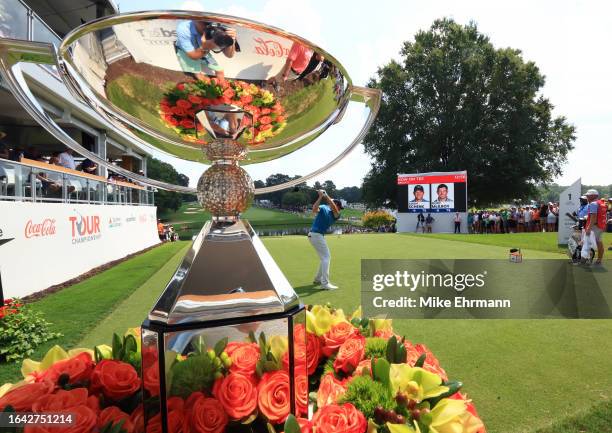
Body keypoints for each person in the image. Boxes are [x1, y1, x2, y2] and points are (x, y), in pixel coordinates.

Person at [308, 190, 342, 290]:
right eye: (339, 206)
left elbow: (335, 209)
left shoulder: (336, 215)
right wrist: (320, 197)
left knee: (324, 258)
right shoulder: (324, 207)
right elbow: (314, 210)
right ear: (335, 204)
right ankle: (325, 283)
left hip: (316, 235)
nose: (339, 209)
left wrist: (326, 196)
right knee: (326, 257)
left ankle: (318, 279)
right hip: (315, 235)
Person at [584, 189, 606, 265]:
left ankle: (589, 259)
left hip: (595, 226)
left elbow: (594, 217)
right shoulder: (601, 203)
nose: (587, 196)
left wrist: (589, 228)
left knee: (590, 243)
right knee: (599, 242)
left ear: (593, 196)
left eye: (588, 195)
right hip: (600, 225)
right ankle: (599, 259)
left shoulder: (593, 204)